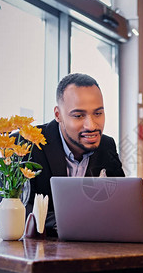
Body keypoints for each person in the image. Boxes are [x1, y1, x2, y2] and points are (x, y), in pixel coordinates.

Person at [23, 73, 125, 236]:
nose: (91, 125)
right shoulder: (25, 144)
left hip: (89, 251)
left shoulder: (106, 146)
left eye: (98, 113)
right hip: (35, 252)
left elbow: (121, 205)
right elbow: (20, 211)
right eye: (78, 116)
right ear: (58, 115)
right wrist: (78, 222)